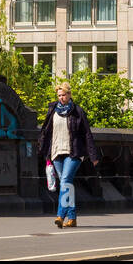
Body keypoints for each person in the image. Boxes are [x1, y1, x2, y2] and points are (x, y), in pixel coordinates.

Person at [36, 81, 99, 228]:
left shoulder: (78, 111)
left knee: (64, 181)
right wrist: (42, 149)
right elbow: (46, 131)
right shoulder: (52, 110)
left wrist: (93, 155)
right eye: (59, 95)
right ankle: (72, 218)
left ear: (69, 95)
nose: (61, 98)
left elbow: (87, 134)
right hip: (56, 152)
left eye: (64, 95)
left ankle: (60, 215)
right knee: (67, 185)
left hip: (74, 152)